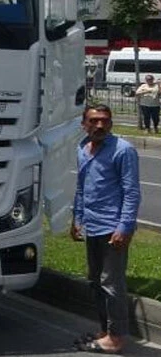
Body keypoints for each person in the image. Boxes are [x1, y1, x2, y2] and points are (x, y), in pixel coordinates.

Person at [72, 104, 141, 354]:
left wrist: (124, 227)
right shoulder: (82, 148)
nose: (99, 125)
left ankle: (117, 337)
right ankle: (105, 330)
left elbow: (132, 193)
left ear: (110, 123)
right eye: (94, 121)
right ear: (84, 124)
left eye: (105, 121)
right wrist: (77, 218)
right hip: (92, 224)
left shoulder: (123, 150)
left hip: (114, 227)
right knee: (95, 282)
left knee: (112, 284)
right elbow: (82, 187)